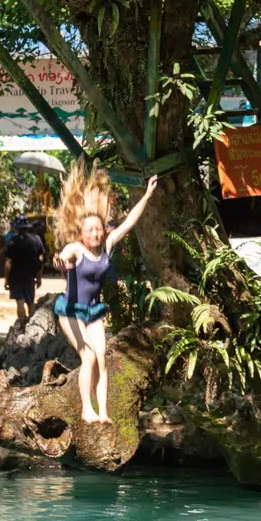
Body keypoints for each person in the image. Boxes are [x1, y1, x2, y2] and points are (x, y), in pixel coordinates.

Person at [52, 168, 159, 424]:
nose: (95, 234)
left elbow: (129, 223)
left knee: (101, 358)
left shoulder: (107, 247)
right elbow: (64, 255)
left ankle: (103, 412)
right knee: (87, 356)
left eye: (98, 229)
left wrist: (147, 195)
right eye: (89, 231)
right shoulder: (76, 249)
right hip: (70, 310)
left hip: (94, 312)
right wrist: (60, 261)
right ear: (81, 234)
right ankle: (86, 410)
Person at [0, 216, 45, 323]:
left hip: (15, 276)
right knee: (30, 302)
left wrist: (6, 279)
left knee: (20, 302)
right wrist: (39, 277)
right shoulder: (36, 239)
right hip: (30, 275)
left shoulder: (13, 241)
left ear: (16, 228)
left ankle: (22, 324)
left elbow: (8, 262)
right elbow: (40, 259)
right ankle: (32, 325)